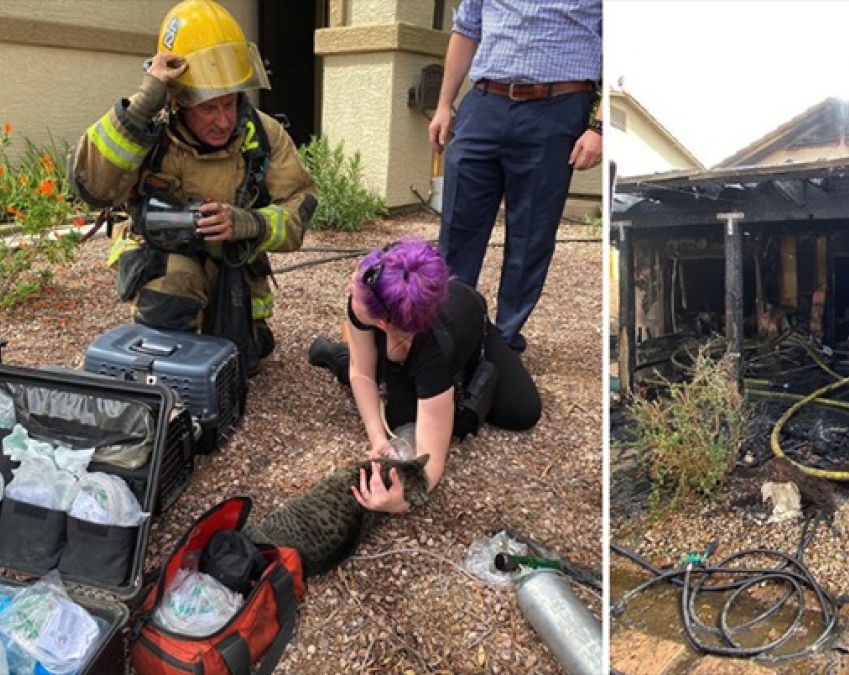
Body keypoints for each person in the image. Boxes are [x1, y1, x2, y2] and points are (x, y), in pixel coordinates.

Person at [69, 0, 317, 373]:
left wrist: (249, 224)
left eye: (230, 103)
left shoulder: (263, 135)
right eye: (208, 108)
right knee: (174, 287)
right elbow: (93, 188)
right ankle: (170, 367)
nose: (223, 120)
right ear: (181, 100)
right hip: (167, 263)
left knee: (243, 359)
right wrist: (141, 107)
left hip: (233, 266)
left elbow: (300, 205)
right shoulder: (150, 130)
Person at [306, 240, 542, 513]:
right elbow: (361, 371)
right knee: (399, 415)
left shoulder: (434, 353)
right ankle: (338, 355)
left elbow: (432, 463)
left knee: (523, 411)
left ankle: (452, 372)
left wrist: (402, 501)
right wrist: (377, 438)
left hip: (465, 333)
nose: (350, 287)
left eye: (354, 291)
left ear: (382, 323)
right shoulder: (367, 292)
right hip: (403, 332)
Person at [428, 0, 603, 354]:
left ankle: (502, 343)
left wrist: (601, 126)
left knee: (531, 237)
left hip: (557, 107)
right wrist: (444, 104)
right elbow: (467, 29)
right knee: (457, 229)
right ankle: (450, 332)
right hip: (484, 101)